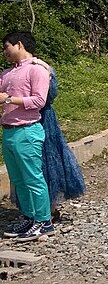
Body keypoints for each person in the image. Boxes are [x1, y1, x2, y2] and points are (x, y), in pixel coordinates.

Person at [9, 59, 85, 219]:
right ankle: (37, 209)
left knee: (47, 160)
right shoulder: (15, 71)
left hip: (42, 119)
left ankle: (47, 209)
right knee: (35, 163)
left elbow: (47, 96)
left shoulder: (39, 67)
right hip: (29, 118)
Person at [0, 31, 54, 241]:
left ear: (19, 44)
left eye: (6, 47)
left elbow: (39, 101)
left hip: (27, 130)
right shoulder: (7, 73)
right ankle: (29, 218)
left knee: (32, 178)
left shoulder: (37, 70)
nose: (4, 51)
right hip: (9, 131)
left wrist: (9, 100)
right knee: (18, 179)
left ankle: (44, 221)